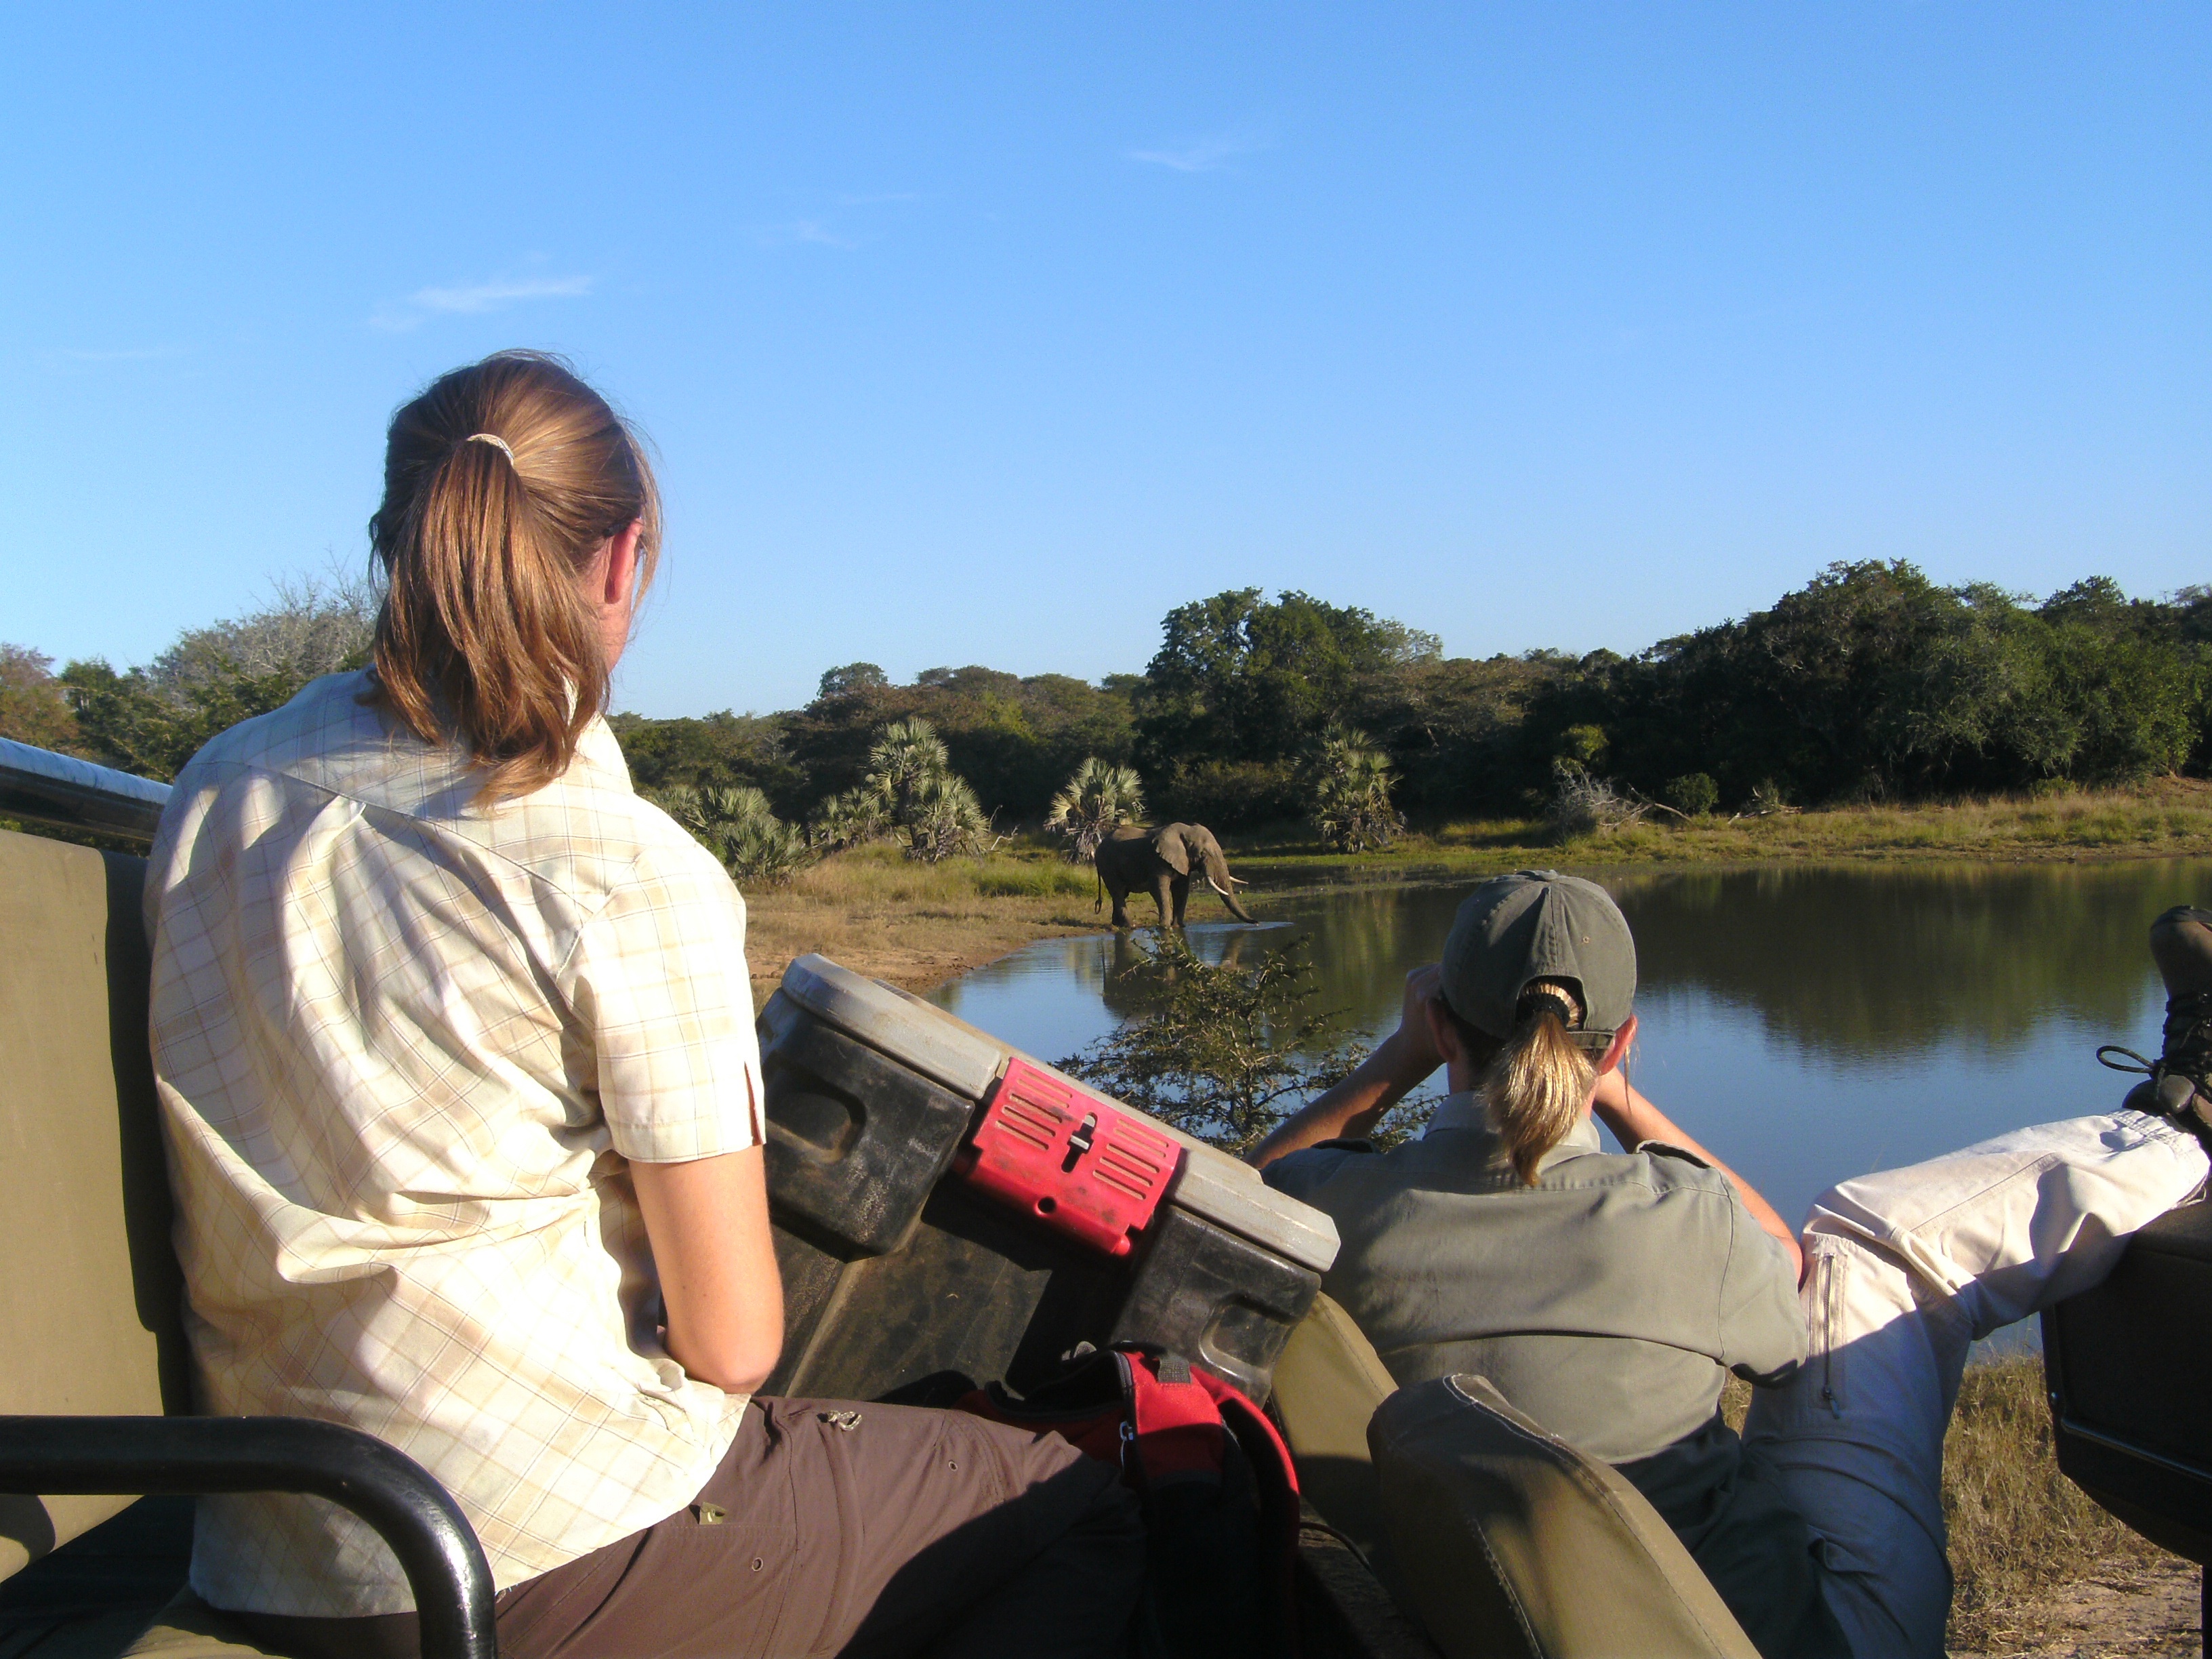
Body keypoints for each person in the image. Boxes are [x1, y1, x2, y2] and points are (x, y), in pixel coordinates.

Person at [144, 352, 1145, 1659]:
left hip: (267, 1544)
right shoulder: (624, 871)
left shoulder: (217, 790)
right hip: (530, 1553)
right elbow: (733, 1343)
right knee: (1078, 1506)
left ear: (398, 541)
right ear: (622, 563)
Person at [1250, 870, 2209, 1659]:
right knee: (1867, 1242)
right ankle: (2183, 1122)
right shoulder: (1684, 1216)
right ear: (1620, 1044)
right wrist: (1611, 1095)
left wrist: (1398, 1057)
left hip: (1490, 1623)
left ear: (1441, 1027)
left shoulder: (1332, 1212)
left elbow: (1243, 1202)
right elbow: (1793, 1280)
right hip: (1786, 1638)